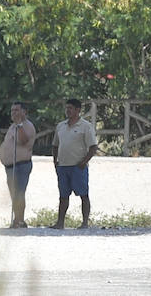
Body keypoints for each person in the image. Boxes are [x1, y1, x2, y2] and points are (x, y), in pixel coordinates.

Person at [52, 98, 98, 230]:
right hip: (63, 165)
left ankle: (84, 222)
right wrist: (55, 161)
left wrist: (84, 162)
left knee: (83, 194)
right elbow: (55, 145)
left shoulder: (86, 126)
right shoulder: (60, 126)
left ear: (78, 110)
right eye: (67, 108)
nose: (68, 111)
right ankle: (60, 222)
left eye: (71, 108)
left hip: (78, 166)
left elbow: (93, 147)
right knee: (63, 195)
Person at [0, 101, 36, 228]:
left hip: (21, 165)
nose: (14, 113)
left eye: (17, 110)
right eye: (12, 110)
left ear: (24, 112)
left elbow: (23, 140)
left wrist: (19, 124)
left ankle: (20, 220)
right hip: (10, 166)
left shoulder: (26, 125)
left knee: (19, 193)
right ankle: (17, 218)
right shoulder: (14, 126)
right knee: (14, 193)